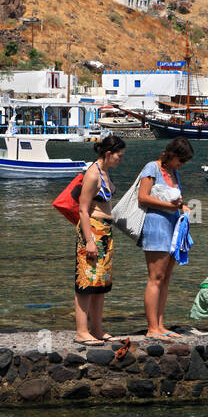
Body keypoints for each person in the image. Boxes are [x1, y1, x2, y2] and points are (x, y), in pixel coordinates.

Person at [136, 137, 193, 340]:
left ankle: (161, 325)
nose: (182, 165)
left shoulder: (173, 171)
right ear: (171, 155)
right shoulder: (152, 167)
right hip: (156, 227)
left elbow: (173, 200)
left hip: (173, 228)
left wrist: (181, 207)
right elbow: (142, 197)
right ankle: (152, 328)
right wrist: (169, 207)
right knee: (155, 277)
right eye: (181, 160)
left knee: (166, 278)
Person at [74, 134, 126, 344]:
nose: (121, 160)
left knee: (100, 283)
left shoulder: (104, 172)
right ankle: (81, 331)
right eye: (119, 156)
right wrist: (89, 240)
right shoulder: (93, 175)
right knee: (86, 281)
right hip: (92, 230)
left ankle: (96, 328)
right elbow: (83, 210)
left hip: (105, 231)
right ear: (108, 153)